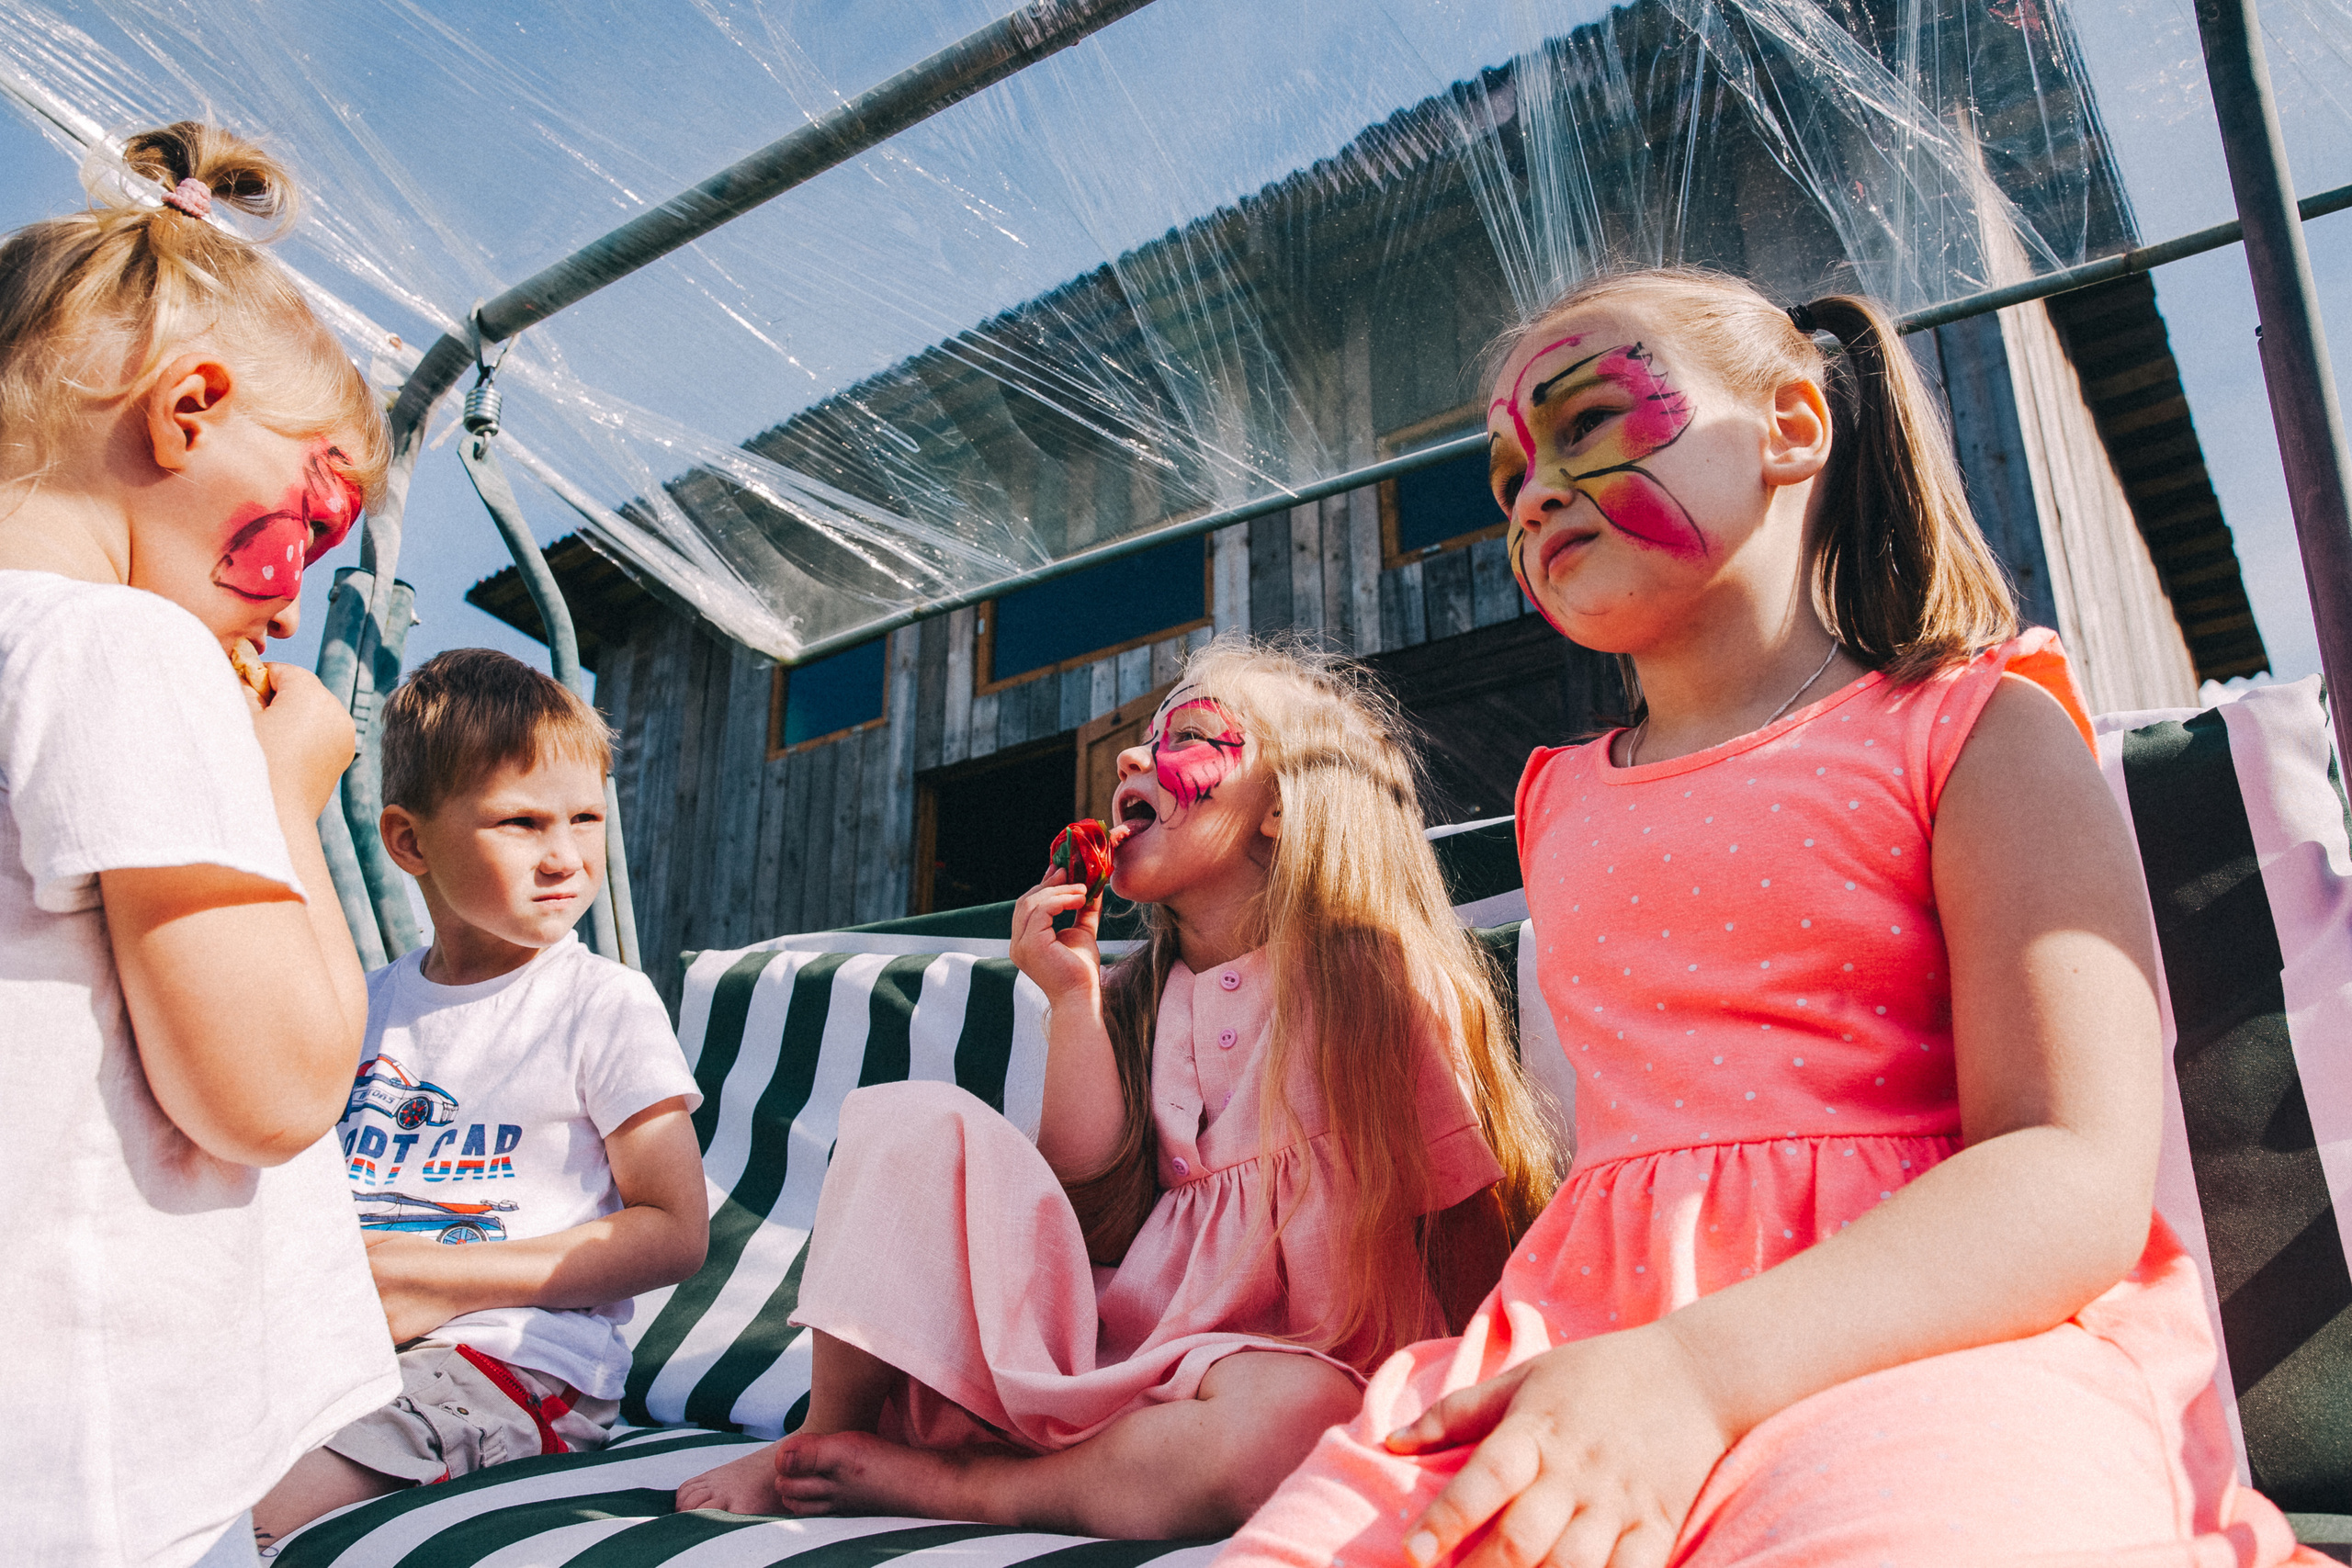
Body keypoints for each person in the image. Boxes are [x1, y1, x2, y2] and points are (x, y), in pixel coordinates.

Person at [1215, 266, 2324, 1568]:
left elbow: (2074, 1164)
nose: (1535, 493)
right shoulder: (1555, 798)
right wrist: (1640, 1365)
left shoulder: (1978, 726)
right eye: (1510, 476)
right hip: (1581, 1340)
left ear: (1794, 425)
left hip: (1931, 1332)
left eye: (1591, 422)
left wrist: (1697, 1372)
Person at [675, 636, 1561, 1537]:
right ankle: (821, 1445)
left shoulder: (1374, 984)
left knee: (1292, 1424)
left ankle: (971, 1490)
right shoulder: (1136, 994)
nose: (1133, 758)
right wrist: (1071, 996)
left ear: (1284, 810)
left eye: (1189, 738)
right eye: (1141, 741)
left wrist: (1480, 1400)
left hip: (1282, 1374)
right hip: (1117, 1354)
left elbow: (1462, 1216)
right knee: (908, 1117)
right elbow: (1091, 1199)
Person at [0, 120, 403, 1567]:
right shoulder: (123, 652)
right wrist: (284, 786)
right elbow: (274, 1085)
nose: (291, 609)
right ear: (189, 410)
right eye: (316, 521)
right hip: (89, 1475)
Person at [250, 649, 709, 1548]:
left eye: (584, 818)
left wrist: (427, 1281)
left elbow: (672, 1230)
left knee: (253, 1513)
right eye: (521, 823)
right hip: (332, 1346)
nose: (565, 858)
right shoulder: (366, 1007)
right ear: (410, 841)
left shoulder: (600, 1002)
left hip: (509, 1366)